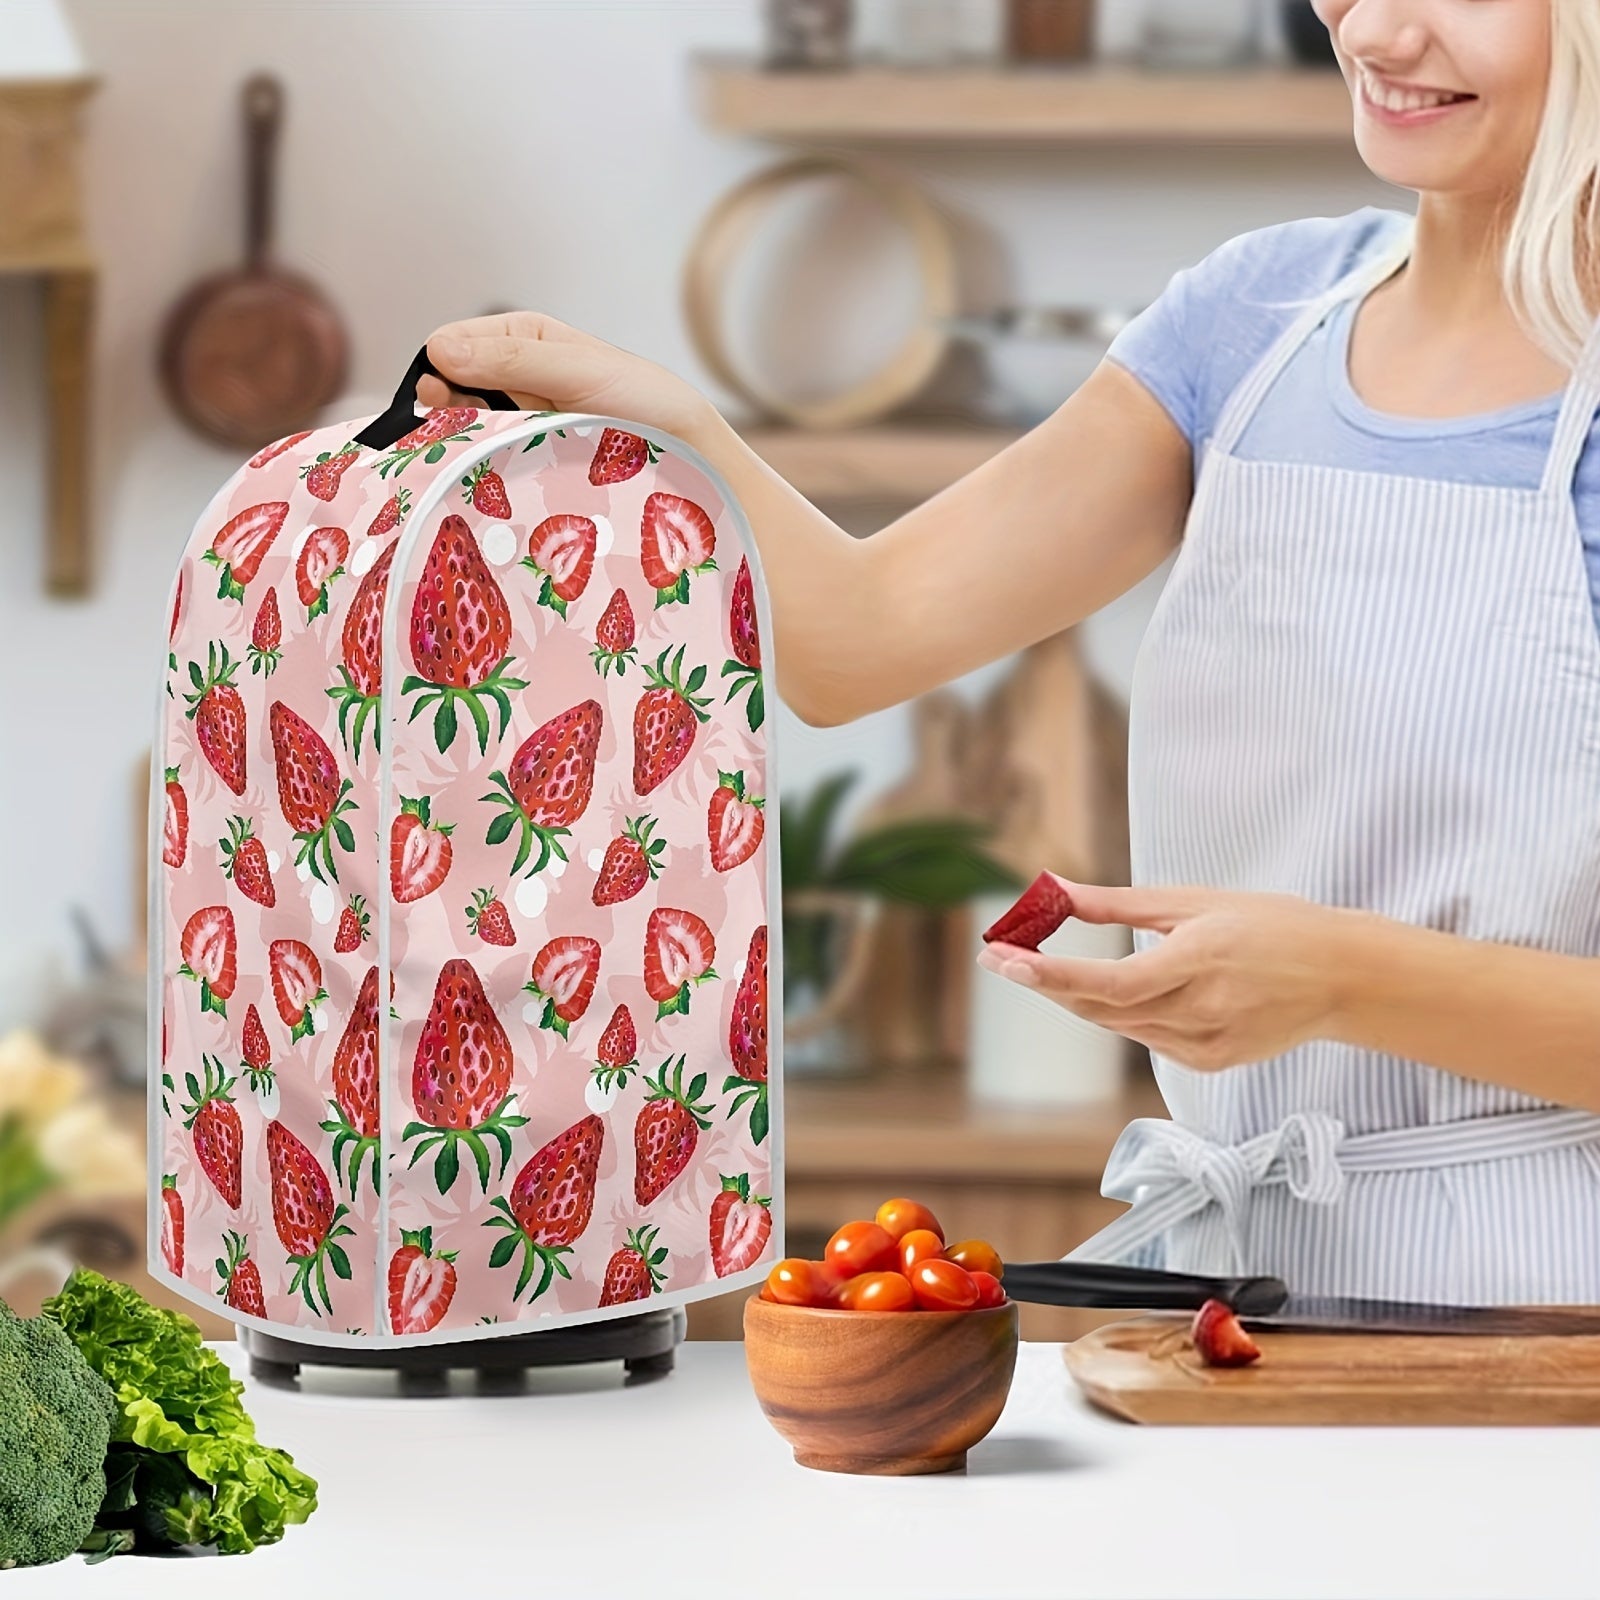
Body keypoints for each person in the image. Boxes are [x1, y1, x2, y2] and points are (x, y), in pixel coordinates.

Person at [416, 0, 1600, 1305]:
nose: (1374, 28)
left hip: (1545, 1300)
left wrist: (1340, 981)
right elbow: (858, 640)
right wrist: (673, 424)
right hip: (1229, 1286)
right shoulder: (1256, 322)